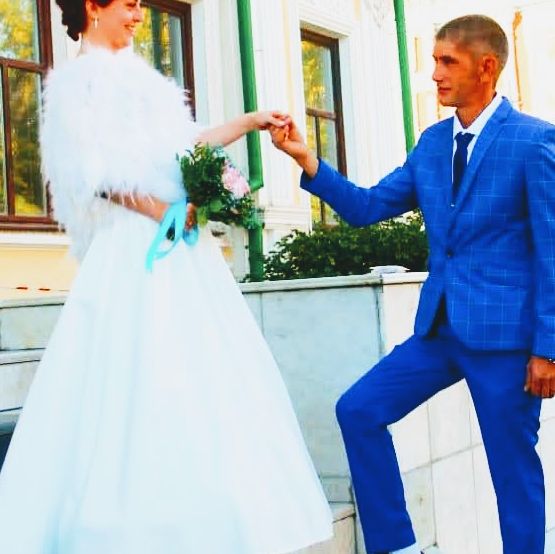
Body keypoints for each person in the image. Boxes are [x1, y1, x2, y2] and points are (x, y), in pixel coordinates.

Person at [0, 0, 333, 552]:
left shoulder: (143, 79)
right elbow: (93, 176)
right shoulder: (77, 84)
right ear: (93, 6)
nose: (138, 15)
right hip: (134, 246)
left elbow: (186, 147)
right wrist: (162, 211)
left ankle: (211, 510)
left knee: (200, 370)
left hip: (181, 247)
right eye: (129, 5)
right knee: (136, 367)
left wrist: (250, 122)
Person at [271, 14, 555, 554]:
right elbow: (368, 207)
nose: (436, 74)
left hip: (506, 340)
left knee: (513, 473)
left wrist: (548, 347)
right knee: (358, 410)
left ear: (486, 67)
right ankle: (396, 546)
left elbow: (552, 249)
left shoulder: (534, 141)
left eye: (448, 61)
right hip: (439, 331)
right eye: (435, 61)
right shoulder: (432, 143)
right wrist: (308, 160)